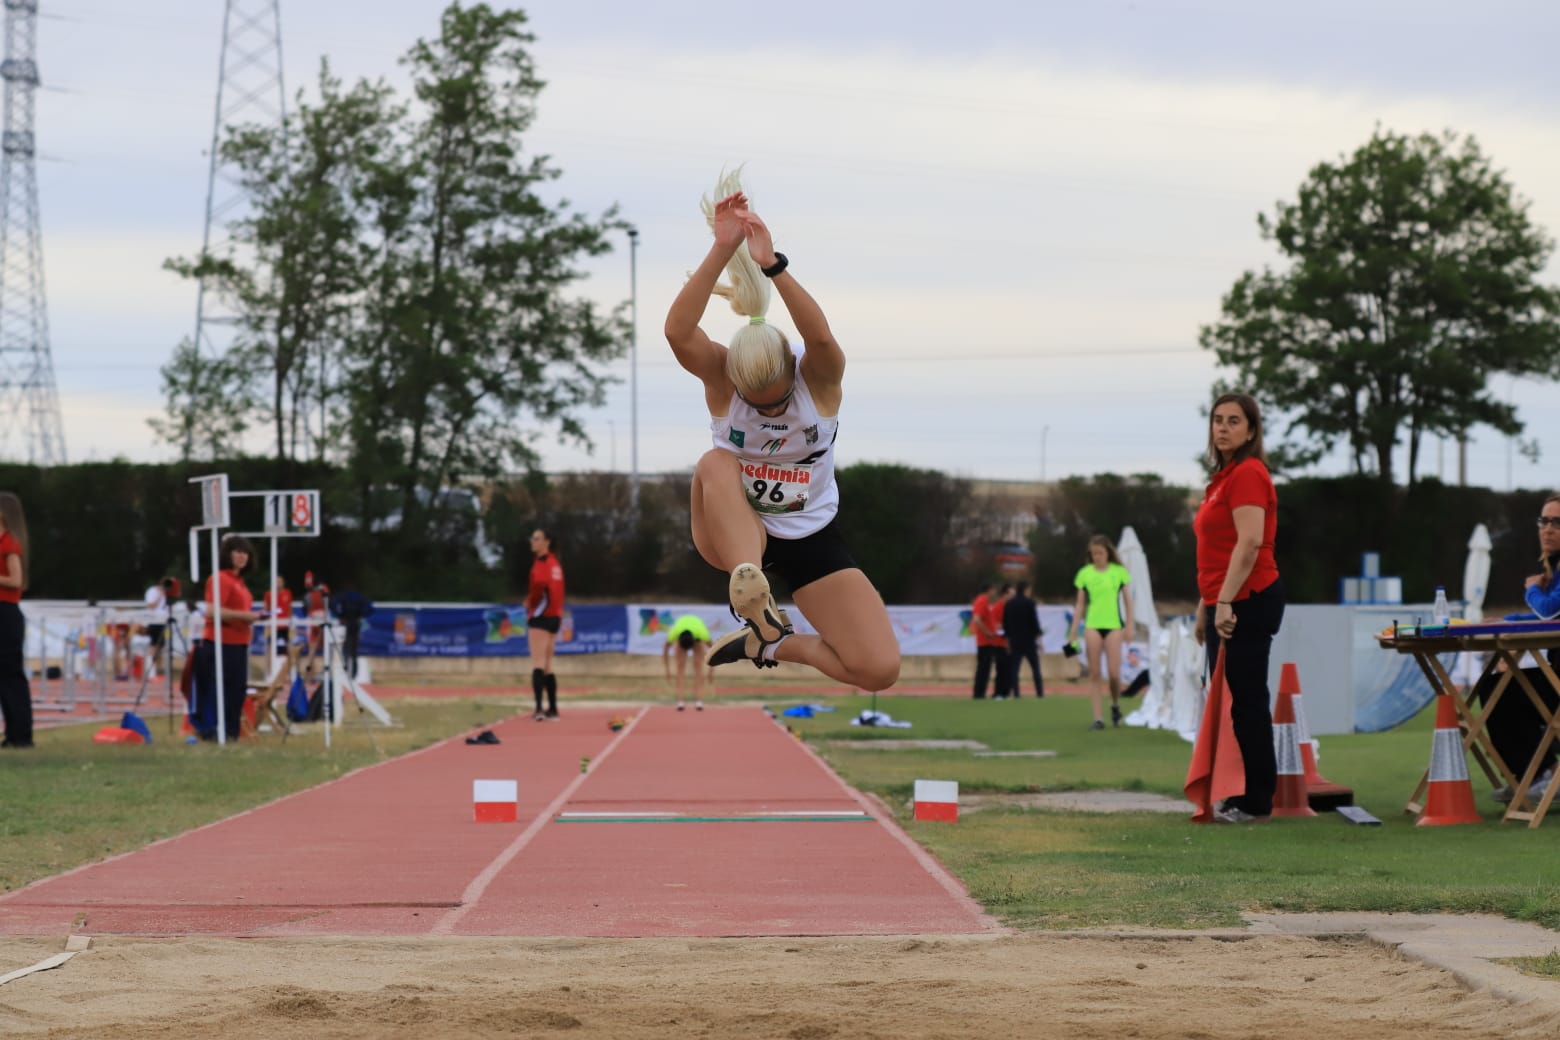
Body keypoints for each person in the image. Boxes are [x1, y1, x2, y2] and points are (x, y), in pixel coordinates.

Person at [663, 171, 899, 692]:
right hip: (737, 532)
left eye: (775, 403)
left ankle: (769, 639)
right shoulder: (725, 379)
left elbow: (819, 334)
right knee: (714, 461)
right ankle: (751, 587)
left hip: (810, 534)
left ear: (792, 373)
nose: (766, 414)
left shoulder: (818, 379)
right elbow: (678, 332)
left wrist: (774, 266)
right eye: (755, 405)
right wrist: (723, 249)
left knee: (879, 669)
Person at [1193, 392, 1284, 824]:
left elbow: (1249, 544)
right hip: (1224, 599)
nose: (1223, 427)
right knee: (1233, 699)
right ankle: (1239, 791)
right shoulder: (1223, 478)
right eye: (1217, 420)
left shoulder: (1248, 473)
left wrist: (1224, 601)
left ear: (1251, 430)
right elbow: (1218, 549)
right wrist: (1205, 604)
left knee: (1246, 699)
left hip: (1248, 598)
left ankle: (1257, 799)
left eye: (1233, 420)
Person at [1476, 492, 1560, 804]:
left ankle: (1543, 777)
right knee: (1495, 687)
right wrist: (1507, 619)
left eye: (1556, 522)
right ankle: (1535, 776)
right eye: (1544, 521)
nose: (1547, 529)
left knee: (1502, 690)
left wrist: (1532, 590)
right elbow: (1546, 615)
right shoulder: (1554, 569)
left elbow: (1549, 611)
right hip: (1555, 674)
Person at [193, 534, 260, 742]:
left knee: (237, 691)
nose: (242, 556)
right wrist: (244, 616)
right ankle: (214, 732)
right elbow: (212, 610)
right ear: (227, 554)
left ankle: (231, 733)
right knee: (219, 691)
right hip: (221, 642)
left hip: (239, 642)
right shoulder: (220, 578)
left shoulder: (240, 582)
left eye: (245, 552)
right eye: (237, 551)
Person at [1069, 535, 1134, 728]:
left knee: (1114, 673)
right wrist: (1073, 631)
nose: (1097, 556)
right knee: (1094, 674)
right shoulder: (1084, 574)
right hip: (1092, 625)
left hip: (1114, 625)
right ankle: (1098, 718)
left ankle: (1115, 704)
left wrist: (1129, 625)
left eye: (1100, 553)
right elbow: (1080, 605)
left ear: (1108, 553)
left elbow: (1128, 602)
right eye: (1094, 553)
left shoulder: (1119, 572)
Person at [0, 492, 33, 748]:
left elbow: (16, 580)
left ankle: (21, 735)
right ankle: (13, 733)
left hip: (7, 613)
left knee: (10, 675)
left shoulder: (10, 544)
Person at [526, 528, 564, 720]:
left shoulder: (541, 563)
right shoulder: (555, 564)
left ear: (546, 542)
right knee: (548, 664)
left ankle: (539, 709)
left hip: (541, 616)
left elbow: (539, 586)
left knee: (538, 663)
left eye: (537, 538)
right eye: (533, 538)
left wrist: (531, 604)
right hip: (555, 617)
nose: (532, 541)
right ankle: (553, 709)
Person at [662, 614, 715, 711]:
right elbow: (665, 649)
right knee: (680, 668)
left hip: (697, 637)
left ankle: (699, 700)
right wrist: (667, 670)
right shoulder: (674, 633)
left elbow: (714, 649)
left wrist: (711, 670)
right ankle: (680, 701)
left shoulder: (702, 634)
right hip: (682, 634)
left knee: (698, 667)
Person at [1003, 580, 1044, 698]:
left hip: (1015, 640)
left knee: (1015, 668)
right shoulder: (1030, 603)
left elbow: (1006, 624)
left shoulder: (1009, 604)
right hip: (1029, 640)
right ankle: (1039, 692)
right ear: (1026, 589)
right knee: (1035, 668)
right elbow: (1034, 622)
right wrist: (1039, 640)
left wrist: (1008, 640)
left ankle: (1016, 693)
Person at [331, 583, 374, 683]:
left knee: (345, 648)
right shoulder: (359, 597)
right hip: (355, 623)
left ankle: (346, 672)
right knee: (354, 650)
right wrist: (361, 615)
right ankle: (354, 675)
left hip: (345, 623)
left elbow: (332, 605)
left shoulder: (343, 596)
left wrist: (339, 616)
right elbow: (370, 608)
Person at [970, 582, 1002, 699]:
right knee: (983, 668)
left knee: (985, 668)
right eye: (993, 589)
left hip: (988, 642)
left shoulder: (985, 602)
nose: (995, 592)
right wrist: (987, 632)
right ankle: (979, 694)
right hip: (985, 642)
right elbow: (977, 619)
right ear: (988, 589)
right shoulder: (982, 601)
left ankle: (980, 693)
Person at [262, 575, 294, 663]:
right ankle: (269, 674)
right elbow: (265, 609)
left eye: (280, 581)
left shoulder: (288, 593)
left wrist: (290, 623)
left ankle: (287, 672)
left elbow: (290, 609)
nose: (278, 583)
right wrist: (270, 617)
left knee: (287, 649)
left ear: (283, 583)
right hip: (273, 626)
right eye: (276, 582)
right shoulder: (268, 594)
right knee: (270, 649)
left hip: (285, 626)